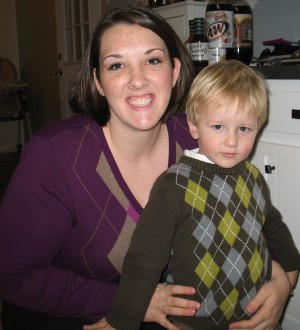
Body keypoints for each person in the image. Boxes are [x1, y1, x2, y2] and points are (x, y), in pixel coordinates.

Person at [0, 4, 295, 330]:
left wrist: (281, 279)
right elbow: (12, 278)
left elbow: (246, 213)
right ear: (98, 82)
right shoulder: (55, 155)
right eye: (116, 66)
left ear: (175, 70)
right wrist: (131, 301)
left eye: (152, 60)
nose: (137, 80)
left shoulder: (201, 137)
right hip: (81, 314)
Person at [84, 60, 300, 330]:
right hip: (194, 320)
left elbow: (273, 224)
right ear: (195, 126)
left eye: (243, 129)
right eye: (218, 127)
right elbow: (144, 256)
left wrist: (290, 267)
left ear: (258, 127)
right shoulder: (173, 186)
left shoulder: (253, 178)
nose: (231, 141)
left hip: (254, 316)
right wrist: (124, 316)